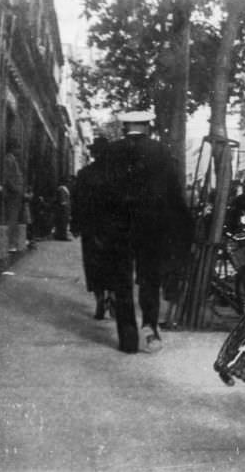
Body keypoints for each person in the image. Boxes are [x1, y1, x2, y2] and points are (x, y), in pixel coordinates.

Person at [109, 111, 192, 353]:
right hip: (152, 226)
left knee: (122, 279)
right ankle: (150, 326)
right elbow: (174, 192)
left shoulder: (112, 152)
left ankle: (128, 337)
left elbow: (99, 192)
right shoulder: (162, 152)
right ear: (147, 126)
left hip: (119, 226)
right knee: (150, 279)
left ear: (125, 127)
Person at [71, 136, 111, 320]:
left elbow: (77, 202)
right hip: (113, 228)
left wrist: (75, 224)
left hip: (91, 226)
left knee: (93, 264)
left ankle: (99, 299)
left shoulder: (84, 174)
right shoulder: (118, 174)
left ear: (94, 154)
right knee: (112, 263)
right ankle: (112, 296)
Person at [3, 147, 25, 253]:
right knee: (12, 219)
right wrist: (16, 189)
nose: (20, 150)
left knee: (14, 219)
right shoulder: (9, 159)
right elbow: (8, 178)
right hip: (13, 195)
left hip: (15, 194)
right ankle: (10, 244)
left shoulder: (12, 159)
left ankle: (12, 243)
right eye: (18, 148)